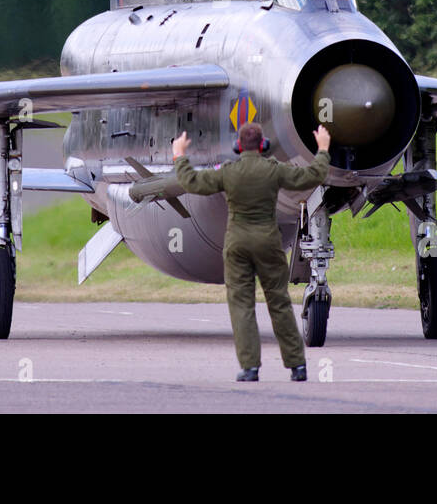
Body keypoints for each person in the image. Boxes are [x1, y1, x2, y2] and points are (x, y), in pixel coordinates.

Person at [132, 121, 331, 382]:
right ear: (264, 146)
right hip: (268, 243)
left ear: (238, 146)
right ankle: (297, 367)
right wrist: (323, 149)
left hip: (237, 244)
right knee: (279, 303)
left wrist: (179, 154)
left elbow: (191, 182)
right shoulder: (274, 170)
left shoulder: (228, 172)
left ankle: (250, 368)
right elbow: (312, 176)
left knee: (242, 306)